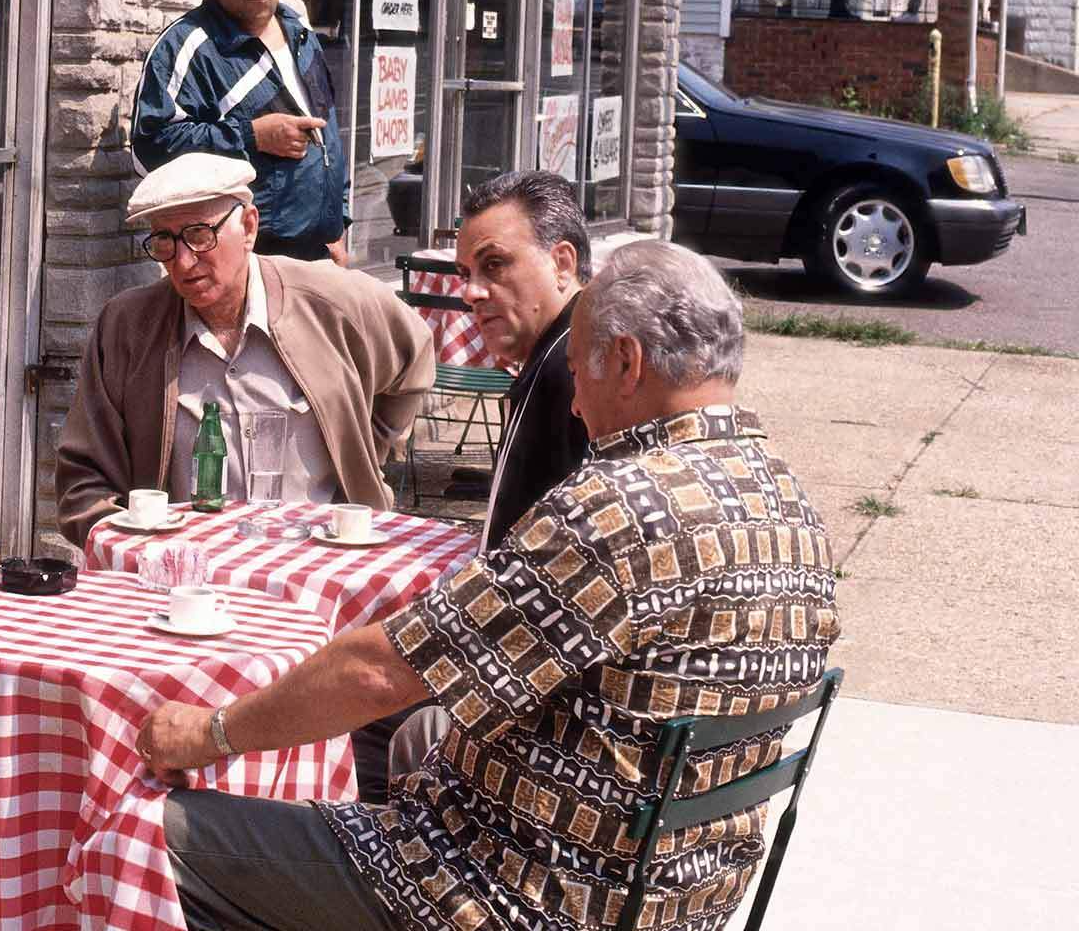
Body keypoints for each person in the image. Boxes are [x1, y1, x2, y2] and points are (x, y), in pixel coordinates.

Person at [139, 240, 841, 931]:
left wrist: (210, 732)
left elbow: (380, 673)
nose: (573, 407)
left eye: (578, 375)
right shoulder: (790, 503)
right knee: (420, 742)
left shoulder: (619, 508)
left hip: (510, 897)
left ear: (625, 363)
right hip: (679, 898)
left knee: (149, 836)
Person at [55, 152, 432, 551]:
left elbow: (417, 354)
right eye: (164, 241)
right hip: (183, 569)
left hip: (317, 559)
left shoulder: (332, 300)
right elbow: (83, 478)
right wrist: (131, 544)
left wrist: (364, 449)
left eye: (200, 235)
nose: (182, 262)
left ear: (249, 226)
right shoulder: (127, 326)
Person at [131, 0, 352, 265]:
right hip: (241, 258)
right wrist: (251, 137)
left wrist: (338, 224)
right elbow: (149, 149)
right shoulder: (187, 46)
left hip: (317, 253)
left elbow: (331, 137)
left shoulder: (301, 35)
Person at [455, 170, 590, 552]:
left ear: (562, 263)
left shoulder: (580, 367)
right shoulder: (557, 349)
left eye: (494, 264)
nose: (471, 293)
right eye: (465, 274)